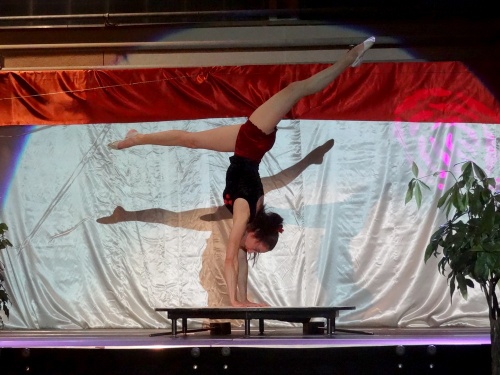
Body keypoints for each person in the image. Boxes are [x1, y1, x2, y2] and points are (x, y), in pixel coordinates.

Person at [107, 36, 375, 307]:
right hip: (253, 138)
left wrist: (243, 299)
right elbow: (230, 258)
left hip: (244, 146)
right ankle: (350, 58)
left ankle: (137, 138)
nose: (249, 249)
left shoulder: (251, 217)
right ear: (256, 233)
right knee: (297, 89)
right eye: (255, 247)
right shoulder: (245, 213)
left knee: (191, 141)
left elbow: (240, 260)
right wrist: (235, 301)